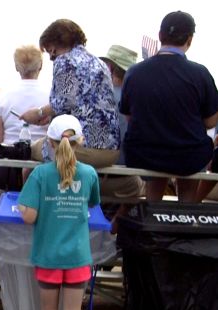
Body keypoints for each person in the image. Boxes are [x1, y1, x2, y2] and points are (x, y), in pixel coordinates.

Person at [18, 115, 100, 310]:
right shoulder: (90, 174)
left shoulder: (40, 174)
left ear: (49, 144)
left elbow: (28, 215)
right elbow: (92, 204)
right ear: (79, 142)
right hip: (77, 257)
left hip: (49, 256)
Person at [120, 11, 218, 203]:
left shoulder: (134, 72)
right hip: (188, 157)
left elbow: (130, 117)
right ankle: (186, 216)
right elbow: (211, 121)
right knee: (191, 154)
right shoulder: (200, 74)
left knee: (157, 157)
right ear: (189, 40)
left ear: (160, 35)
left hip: (144, 154)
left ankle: (152, 215)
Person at [21, 19, 119, 168]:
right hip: (111, 151)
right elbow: (79, 104)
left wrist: (38, 113)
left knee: (31, 150)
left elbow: (61, 103)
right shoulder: (99, 62)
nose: (50, 57)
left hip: (84, 148)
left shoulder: (64, 61)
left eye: (49, 52)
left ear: (53, 46)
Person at [98, 45, 144, 201]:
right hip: (126, 180)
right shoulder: (138, 100)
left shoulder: (94, 95)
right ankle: (117, 223)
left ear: (109, 67)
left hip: (91, 178)